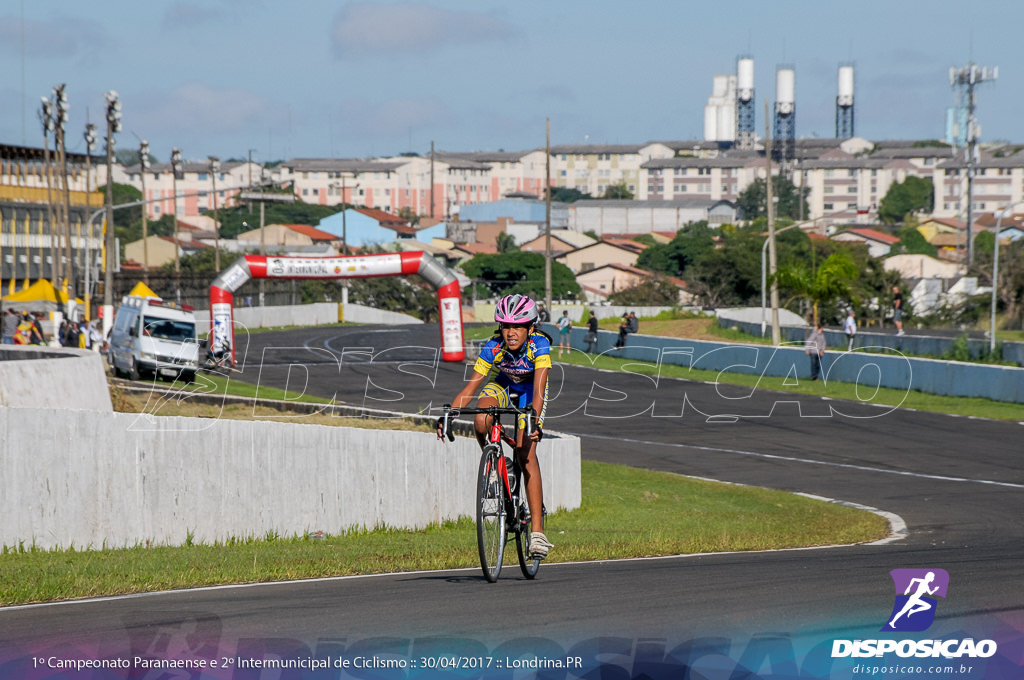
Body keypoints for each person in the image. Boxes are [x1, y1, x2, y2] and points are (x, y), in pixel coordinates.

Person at [437, 293, 555, 559]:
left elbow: (538, 390)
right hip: (503, 382)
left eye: (517, 327)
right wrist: (450, 416)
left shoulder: (540, 345)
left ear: (530, 328)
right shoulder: (493, 345)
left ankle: (537, 533)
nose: (510, 332)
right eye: (505, 326)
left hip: (529, 391)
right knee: (481, 417)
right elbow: (471, 387)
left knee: (526, 453)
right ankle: (497, 462)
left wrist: (534, 421)